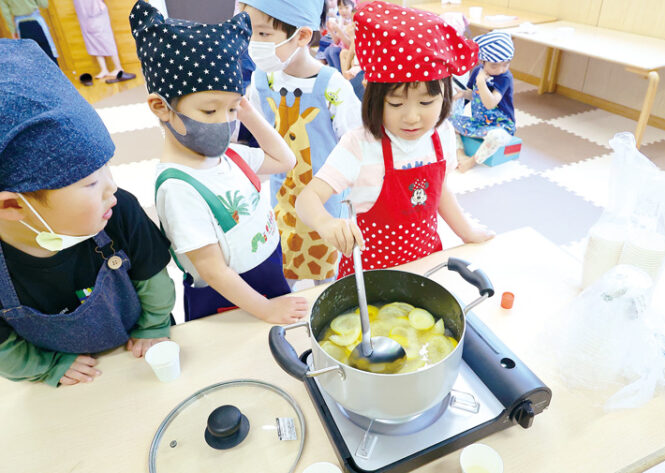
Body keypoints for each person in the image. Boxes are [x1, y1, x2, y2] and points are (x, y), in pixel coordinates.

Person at [0, 39, 175, 386]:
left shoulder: (117, 208)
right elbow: (5, 349)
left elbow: (154, 280)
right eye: (90, 183)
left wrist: (154, 325)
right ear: (13, 205)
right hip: (74, 377)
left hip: (139, 350)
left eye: (107, 167)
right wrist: (47, 366)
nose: (112, 187)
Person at [130, 0, 307, 322]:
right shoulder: (178, 187)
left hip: (268, 273)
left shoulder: (230, 156)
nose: (225, 122)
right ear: (160, 107)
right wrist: (265, 309)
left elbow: (284, 160)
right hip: (229, 298)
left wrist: (248, 112)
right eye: (210, 111)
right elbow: (212, 270)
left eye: (231, 109)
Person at [295, 1, 495, 278]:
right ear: (375, 100)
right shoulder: (360, 144)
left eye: (426, 102)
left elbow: (440, 194)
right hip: (369, 275)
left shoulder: (443, 135)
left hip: (425, 263)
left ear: (444, 97)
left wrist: (467, 232)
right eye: (397, 104)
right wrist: (326, 223)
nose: (412, 117)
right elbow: (307, 199)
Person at [240, 0, 362, 286]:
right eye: (250, 33)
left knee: (326, 258)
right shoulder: (260, 81)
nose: (253, 43)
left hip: (325, 196)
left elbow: (358, 141)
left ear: (302, 36)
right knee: (284, 251)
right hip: (279, 193)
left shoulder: (332, 87)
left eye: (264, 34)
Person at [450, 31, 516, 171]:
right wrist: (464, 94)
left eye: (505, 64)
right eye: (494, 65)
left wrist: (481, 82)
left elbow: (490, 103)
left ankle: (472, 161)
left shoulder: (505, 78)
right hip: (480, 123)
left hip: (502, 126)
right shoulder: (477, 72)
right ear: (482, 61)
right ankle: (460, 153)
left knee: (496, 137)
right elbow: (476, 96)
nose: (500, 69)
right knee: (447, 122)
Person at [73, 0, 134, 81]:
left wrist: (97, 9)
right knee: (92, 42)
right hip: (84, 17)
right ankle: (104, 69)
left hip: (97, 13)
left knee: (107, 40)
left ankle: (118, 68)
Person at [322, 0, 354, 71]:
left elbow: (349, 44)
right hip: (341, 47)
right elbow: (336, 41)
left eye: (346, 8)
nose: (343, 11)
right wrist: (331, 30)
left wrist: (338, 29)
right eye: (340, 8)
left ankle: (340, 74)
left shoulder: (353, 22)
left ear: (352, 7)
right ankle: (333, 73)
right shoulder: (341, 20)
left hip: (349, 49)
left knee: (333, 51)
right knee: (327, 51)